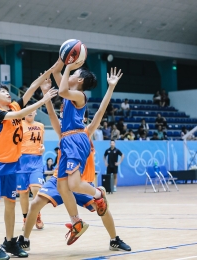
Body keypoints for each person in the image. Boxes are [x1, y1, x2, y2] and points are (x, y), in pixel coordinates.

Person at [17, 69, 130, 252]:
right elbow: (54, 115)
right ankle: (25, 240)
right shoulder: (65, 130)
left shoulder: (84, 131)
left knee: (101, 208)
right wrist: (46, 93)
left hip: (81, 181)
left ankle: (114, 239)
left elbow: (100, 111)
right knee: (36, 202)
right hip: (60, 178)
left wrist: (110, 88)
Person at [0, 69, 57, 260]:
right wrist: (44, 98)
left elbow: (31, 88)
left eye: (7, 91)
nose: (7, 93)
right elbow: (22, 113)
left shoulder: (13, 106)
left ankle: (10, 242)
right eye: (3, 91)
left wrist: (52, 69)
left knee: (11, 203)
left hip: (12, 164)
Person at [53, 59, 121, 244]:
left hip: (75, 139)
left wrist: (68, 65)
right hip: (66, 140)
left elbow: (62, 90)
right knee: (61, 186)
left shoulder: (79, 96)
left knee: (74, 185)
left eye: (76, 73)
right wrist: (62, 60)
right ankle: (76, 222)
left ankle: (98, 194)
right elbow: (57, 76)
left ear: (80, 81)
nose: (72, 74)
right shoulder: (69, 94)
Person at [17, 108, 45, 231]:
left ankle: (37, 215)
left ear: (36, 112)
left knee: (36, 189)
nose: (30, 111)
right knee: (23, 193)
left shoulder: (41, 126)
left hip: (36, 161)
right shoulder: (18, 124)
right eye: (27, 109)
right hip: (21, 162)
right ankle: (25, 219)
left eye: (33, 109)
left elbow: (41, 143)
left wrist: (43, 148)